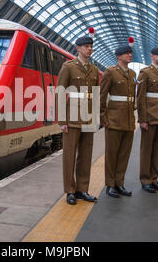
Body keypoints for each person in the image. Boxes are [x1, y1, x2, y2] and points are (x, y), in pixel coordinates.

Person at [57, 36, 100, 205]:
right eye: (86, 46)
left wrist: (95, 117)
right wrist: (62, 120)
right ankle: (69, 190)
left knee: (86, 154)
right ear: (78, 48)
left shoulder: (94, 69)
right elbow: (60, 92)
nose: (89, 49)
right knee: (69, 155)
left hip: (88, 116)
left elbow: (95, 94)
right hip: (72, 116)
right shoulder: (68, 67)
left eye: (91, 46)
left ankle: (82, 189)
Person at [100, 43, 136, 198]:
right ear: (118, 56)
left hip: (128, 119)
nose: (129, 55)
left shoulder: (133, 73)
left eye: (130, 53)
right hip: (113, 119)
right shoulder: (110, 72)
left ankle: (119, 183)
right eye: (126, 53)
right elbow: (102, 95)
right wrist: (102, 117)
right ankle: (110, 184)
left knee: (124, 154)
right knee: (112, 154)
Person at [136, 47, 158, 193]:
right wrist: (142, 119)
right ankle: (145, 180)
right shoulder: (145, 72)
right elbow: (141, 97)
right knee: (147, 149)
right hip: (150, 116)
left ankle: (154, 178)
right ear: (152, 56)